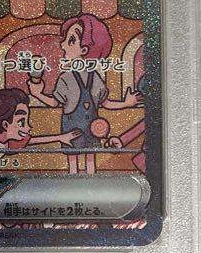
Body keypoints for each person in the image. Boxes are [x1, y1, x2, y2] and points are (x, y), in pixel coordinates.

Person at [27, 13, 130, 175]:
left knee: (87, 159)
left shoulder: (79, 77)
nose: (62, 45)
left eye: (70, 40)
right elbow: (106, 103)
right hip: (72, 129)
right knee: (77, 160)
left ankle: (88, 182)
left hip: (92, 128)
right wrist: (37, 94)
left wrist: (38, 94)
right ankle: (81, 180)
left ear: (84, 49)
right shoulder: (70, 77)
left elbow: (55, 102)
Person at [0, 88, 79, 174]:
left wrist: (60, 137)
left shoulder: (7, 144)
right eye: (22, 122)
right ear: (5, 124)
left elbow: (33, 140)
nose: (28, 127)